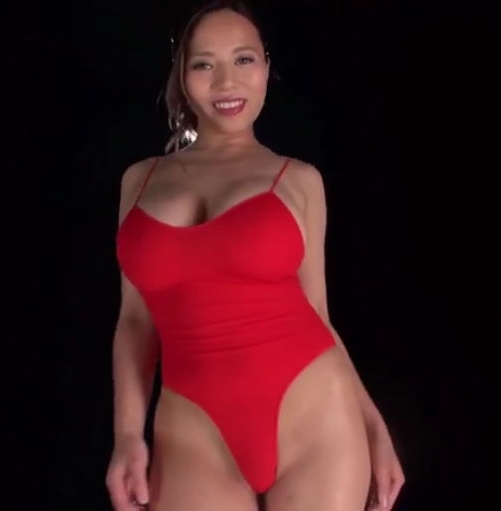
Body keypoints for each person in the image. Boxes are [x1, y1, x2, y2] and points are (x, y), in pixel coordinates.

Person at [106, 2, 404, 510]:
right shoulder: (140, 180)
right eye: (204, 64)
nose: (227, 81)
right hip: (191, 433)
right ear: (182, 76)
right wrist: (127, 438)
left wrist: (375, 427)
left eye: (243, 59)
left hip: (315, 419)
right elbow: (135, 322)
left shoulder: (300, 180)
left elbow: (317, 314)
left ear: (266, 67)